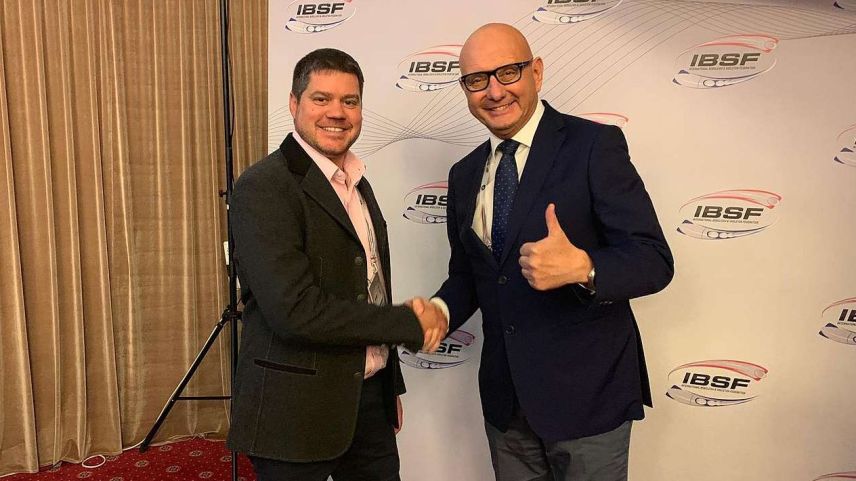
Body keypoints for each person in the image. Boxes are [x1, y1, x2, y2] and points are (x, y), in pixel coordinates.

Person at [417, 24, 674, 480]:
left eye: (508, 72)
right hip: (506, 402)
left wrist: (586, 268)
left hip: (589, 397)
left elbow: (653, 259)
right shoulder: (464, 174)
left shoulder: (594, 145)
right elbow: (470, 275)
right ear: (465, 89)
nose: (494, 91)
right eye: (477, 80)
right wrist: (440, 310)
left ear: (535, 72)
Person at [226, 48, 447, 481]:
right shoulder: (263, 187)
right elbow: (295, 310)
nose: (337, 113)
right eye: (321, 99)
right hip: (293, 413)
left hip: (367, 405)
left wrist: (387, 386)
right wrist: (407, 324)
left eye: (350, 101)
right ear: (294, 104)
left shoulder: (357, 182)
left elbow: (370, 287)